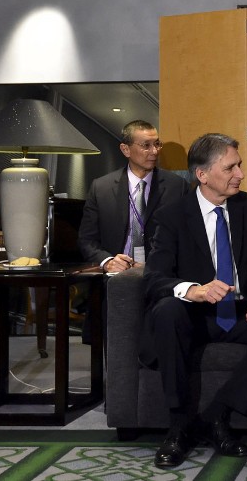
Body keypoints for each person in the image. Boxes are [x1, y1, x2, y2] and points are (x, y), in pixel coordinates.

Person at [140, 133, 247, 469]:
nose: (240, 174)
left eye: (239, 165)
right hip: (192, 315)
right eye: (231, 167)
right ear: (202, 175)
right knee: (168, 310)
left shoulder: (246, 206)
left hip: (238, 312)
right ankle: (179, 426)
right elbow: (154, 279)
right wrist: (194, 290)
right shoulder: (171, 215)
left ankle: (217, 416)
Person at [76, 120, 190, 343]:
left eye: (157, 144)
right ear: (125, 149)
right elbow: (86, 240)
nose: (154, 151)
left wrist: (157, 264)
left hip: (158, 273)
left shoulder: (177, 187)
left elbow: (186, 239)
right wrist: (108, 261)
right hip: (116, 275)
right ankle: (113, 375)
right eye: (146, 145)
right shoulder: (101, 187)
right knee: (112, 316)